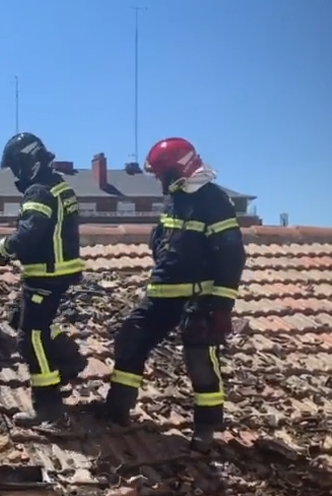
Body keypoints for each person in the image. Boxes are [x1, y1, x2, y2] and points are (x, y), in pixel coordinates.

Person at [97, 137, 246, 450]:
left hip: (199, 297)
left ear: (176, 170)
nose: (158, 182)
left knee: (200, 358)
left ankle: (207, 429)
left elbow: (232, 253)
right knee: (131, 338)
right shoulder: (176, 199)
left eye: (160, 175)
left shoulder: (212, 201)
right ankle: (116, 410)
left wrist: (222, 304)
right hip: (163, 294)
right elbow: (162, 241)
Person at [0, 132, 88, 427]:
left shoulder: (39, 191)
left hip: (45, 274)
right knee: (24, 319)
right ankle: (70, 359)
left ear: (26, 162)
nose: (16, 174)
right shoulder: (60, 186)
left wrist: (1, 248)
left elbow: (30, 234)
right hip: (59, 273)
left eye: (16, 166)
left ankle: (49, 407)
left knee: (31, 339)